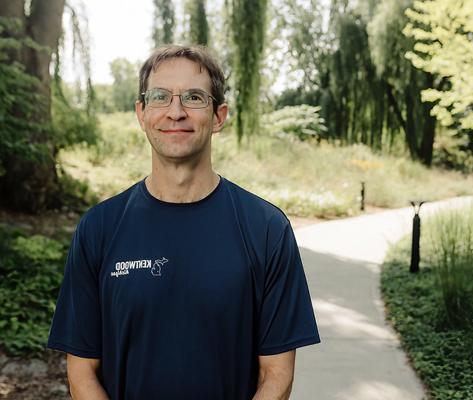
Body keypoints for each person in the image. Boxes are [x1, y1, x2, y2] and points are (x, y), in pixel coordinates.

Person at [47, 44, 320, 400]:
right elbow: (82, 372)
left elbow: (277, 375)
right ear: (141, 113)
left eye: (193, 97)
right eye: (160, 97)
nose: (175, 112)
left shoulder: (267, 229)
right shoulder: (99, 228)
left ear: (219, 116)